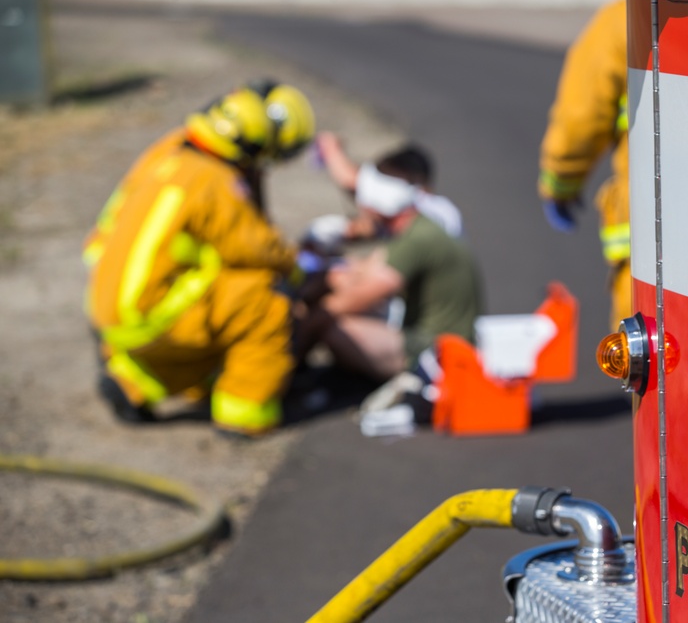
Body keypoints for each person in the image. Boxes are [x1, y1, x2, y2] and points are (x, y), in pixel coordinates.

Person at [82, 80, 316, 437]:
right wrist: (298, 269)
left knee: (215, 307)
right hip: (151, 311)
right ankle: (246, 414)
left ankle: (133, 381)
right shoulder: (216, 180)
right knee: (265, 299)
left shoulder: (172, 153)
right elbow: (254, 247)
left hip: (107, 297)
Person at [297, 145, 482, 386]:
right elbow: (369, 270)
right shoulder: (418, 227)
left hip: (440, 350)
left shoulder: (417, 238)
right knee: (336, 281)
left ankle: (292, 371)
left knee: (333, 325)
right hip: (436, 334)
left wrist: (306, 326)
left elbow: (360, 295)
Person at [537, 0, 630, 330]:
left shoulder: (627, 17)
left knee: (650, 362)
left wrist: (560, 184)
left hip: (655, 234)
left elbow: (580, 120)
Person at [314, 131, 464, 239]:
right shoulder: (436, 211)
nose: (366, 207)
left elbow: (350, 180)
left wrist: (329, 146)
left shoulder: (431, 220)